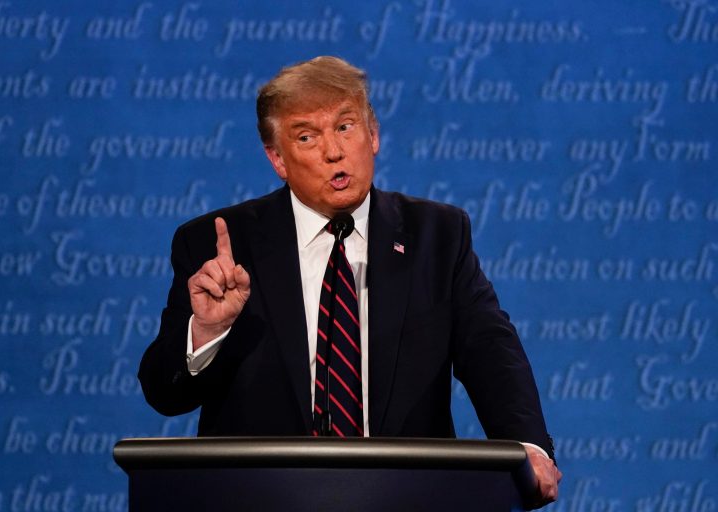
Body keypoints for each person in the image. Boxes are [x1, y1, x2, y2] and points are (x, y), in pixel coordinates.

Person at [139, 56, 561, 505]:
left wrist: (527, 448)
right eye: (307, 137)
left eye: (346, 127)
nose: (334, 151)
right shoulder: (219, 244)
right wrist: (209, 330)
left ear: (373, 134)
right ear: (277, 159)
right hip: (263, 498)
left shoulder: (436, 236)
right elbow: (164, 394)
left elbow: (490, 350)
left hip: (404, 498)